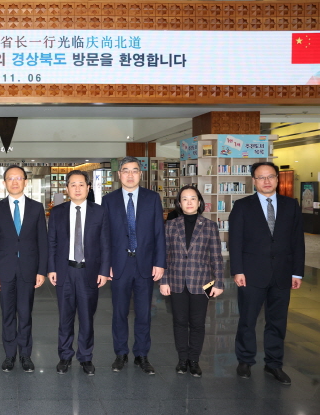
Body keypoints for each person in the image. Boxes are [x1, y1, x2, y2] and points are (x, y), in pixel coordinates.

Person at [229, 162, 304, 385]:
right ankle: (245, 360)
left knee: (277, 322)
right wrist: (237, 270)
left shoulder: (291, 205)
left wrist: (297, 273)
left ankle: (274, 363)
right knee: (248, 320)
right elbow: (235, 241)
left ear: (278, 179)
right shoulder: (242, 206)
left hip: (282, 273)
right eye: (261, 177)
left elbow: (297, 241)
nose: (267, 181)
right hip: (251, 273)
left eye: (270, 176)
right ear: (254, 181)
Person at [101, 156, 166, 374]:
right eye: (126, 171)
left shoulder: (152, 198)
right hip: (119, 265)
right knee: (119, 312)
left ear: (141, 174)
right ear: (119, 174)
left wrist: (159, 262)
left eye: (135, 170)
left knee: (144, 312)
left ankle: (142, 355)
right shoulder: (108, 200)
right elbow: (104, 236)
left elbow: (159, 232)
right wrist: (106, 264)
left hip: (145, 264)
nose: (130, 175)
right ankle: (120, 354)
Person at [48, 170, 110, 376]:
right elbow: (52, 242)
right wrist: (51, 268)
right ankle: (65, 356)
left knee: (87, 318)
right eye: (73, 184)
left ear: (88, 187)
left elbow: (105, 244)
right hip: (64, 271)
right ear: (66, 188)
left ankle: (85, 357)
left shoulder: (99, 212)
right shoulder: (57, 212)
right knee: (65, 317)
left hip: (89, 272)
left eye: (81, 184)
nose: (77, 188)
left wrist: (104, 271)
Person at [0, 165, 48, 373]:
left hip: (28, 270)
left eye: (18, 178)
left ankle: (26, 355)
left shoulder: (36, 208)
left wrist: (41, 270)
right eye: (10, 178)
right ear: (4, 183)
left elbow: (42, 241)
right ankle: (9, 355)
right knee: (7, 314)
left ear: (25, 182)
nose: (14, 182)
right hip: (4, 270)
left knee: (25, 313)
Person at [160, 185, 224, 377]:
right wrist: (164, 280)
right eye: (185, 199)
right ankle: (182, 360)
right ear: (179, 203)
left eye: (193, 198)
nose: (189, 202)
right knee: (179, 322)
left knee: (197, 323)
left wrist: (219, 282)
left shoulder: (210, 226)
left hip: (201, 281)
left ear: (199, 202)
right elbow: (165, 255)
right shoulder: (171, 225)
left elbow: (216, 257)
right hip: (176, 280)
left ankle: (194, 360)